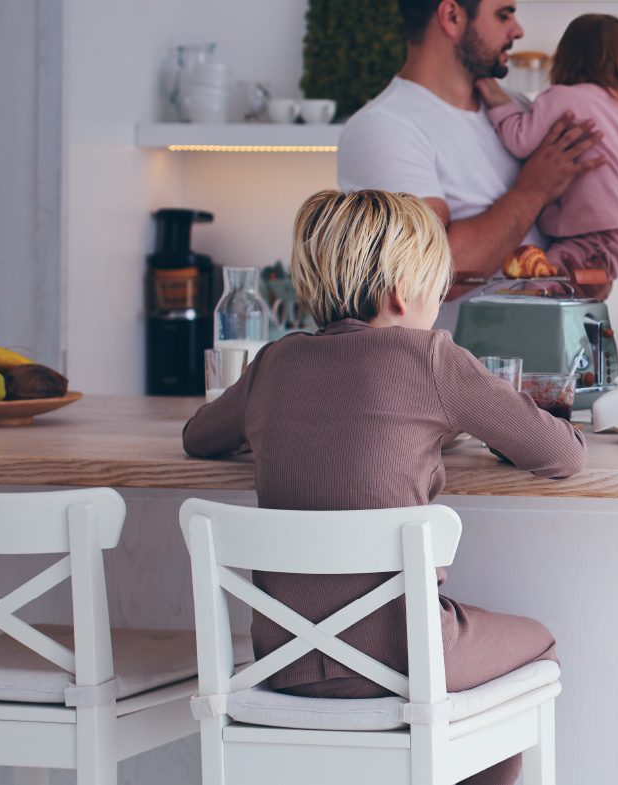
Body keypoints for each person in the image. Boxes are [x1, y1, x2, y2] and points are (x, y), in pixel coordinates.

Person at [183, 189, 585, 785]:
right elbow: (562, 454)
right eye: (437, 289)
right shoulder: (431, 358)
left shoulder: (273, 362)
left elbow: (199, 437)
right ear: (402, 291)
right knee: (538, 646)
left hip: (280, 660)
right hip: (402, 656)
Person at [337, 0, 606, 325]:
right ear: (451, 16)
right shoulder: (383, 126)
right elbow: (429, 275)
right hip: (454, 373)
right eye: (503, 14)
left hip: (564, 367)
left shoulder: (519, 114)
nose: (517, 30)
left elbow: (585, 260)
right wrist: (535, 189)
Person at [478, 13, 618, 299]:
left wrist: (498, 103)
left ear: (564, 58)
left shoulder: (557, 97)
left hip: (579, 233)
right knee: (580, 286)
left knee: (544, 283)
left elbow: (521, 141)